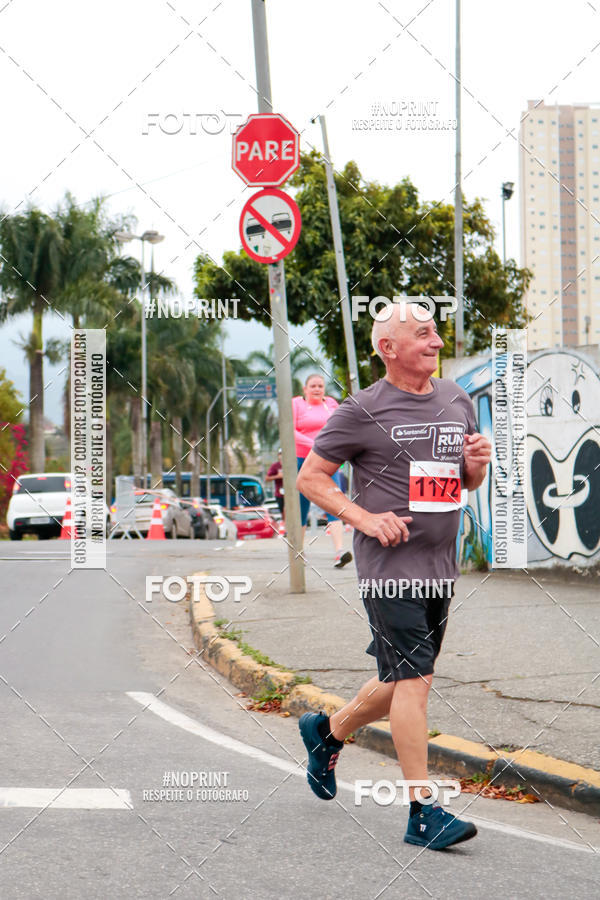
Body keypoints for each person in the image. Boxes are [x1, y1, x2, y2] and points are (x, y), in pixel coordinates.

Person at [296, 302, 491, 850]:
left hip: (439, 565)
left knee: (399, 680)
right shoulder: (362, 409)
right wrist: (364, 518)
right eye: (422, 334)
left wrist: (477, 460)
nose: (435, 341)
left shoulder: (456, 398)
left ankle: (326, 733)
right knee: (416, 682)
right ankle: (423, 813)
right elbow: (311, 478)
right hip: (388, 570)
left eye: (435, 333)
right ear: (389, 348)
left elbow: (466, 481)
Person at [293, 374, 352, 568]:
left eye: (320, 386)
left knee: (333, 502)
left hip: (327, 461)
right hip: (301, 459)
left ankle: (339, 552)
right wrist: (315, 445)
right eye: (313, 386)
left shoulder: (332, 404)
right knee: (301, 506)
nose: (317, 389)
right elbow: (290, 431)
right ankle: (298, 552)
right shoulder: (296, 405)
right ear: (305, 389)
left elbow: (339, 426)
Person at [265, 449, 285, 522]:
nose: (282, 455)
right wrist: (278, 476)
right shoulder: (275, 466)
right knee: (283, 512)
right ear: (278, 455)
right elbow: (267, 478)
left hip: (292, 494)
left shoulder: (291, 464)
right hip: (280, 494)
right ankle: (285, 526)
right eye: (280, 454)